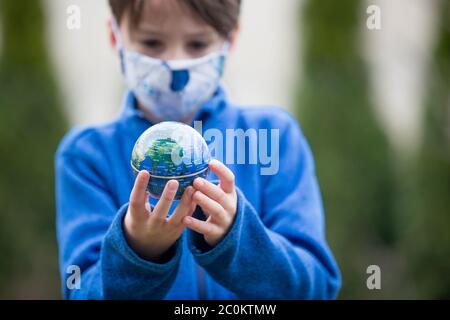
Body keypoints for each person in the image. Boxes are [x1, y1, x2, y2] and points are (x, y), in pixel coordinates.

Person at [55, 0, 341, 299]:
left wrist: (236, 237)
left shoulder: (275, 136)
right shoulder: (86, 155)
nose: (175, 63)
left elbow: (316, 286)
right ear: (115, 35)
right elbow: (81, 291)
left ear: (230, 39)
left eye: (198, 43)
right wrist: (138, 251)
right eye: (152, 42)